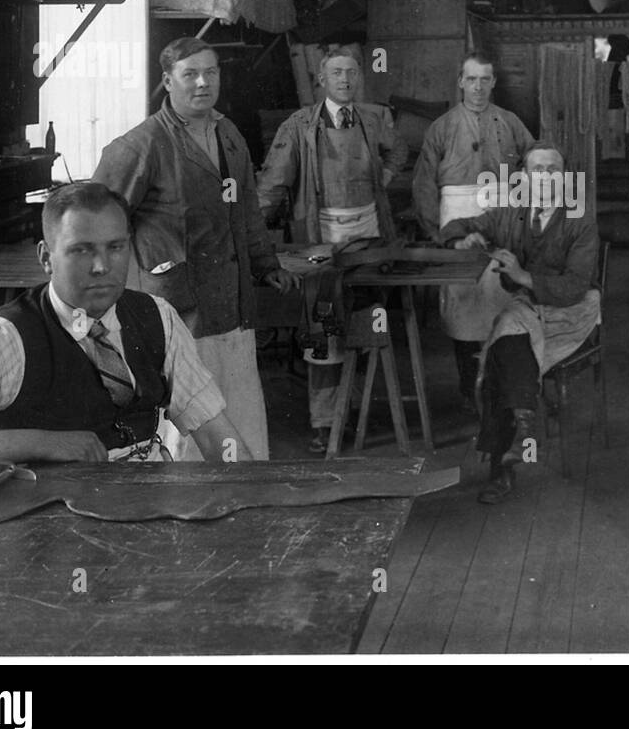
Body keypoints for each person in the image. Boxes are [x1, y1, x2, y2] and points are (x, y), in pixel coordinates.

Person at [0, 183, 252, 463]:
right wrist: (39, 443)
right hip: (46, 527)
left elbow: (215, 435)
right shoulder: (5, 338)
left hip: (146, 506)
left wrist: (255, 500)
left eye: (115, 248)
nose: (101, 266)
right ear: (46, 258)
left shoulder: (158, 317)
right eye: (81, 250)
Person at [92, 37, 296, 462]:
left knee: (239, 412)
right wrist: (111, 298)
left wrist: (265, 264)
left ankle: (242, 498)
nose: (203, 82)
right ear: (168, 81)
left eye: (212, 72)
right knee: (184, 426)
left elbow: (246, 214)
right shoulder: (141, 145)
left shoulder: (229, 135)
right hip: (177, 311)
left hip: (232, 305)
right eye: (190, 74)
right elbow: (98, 222)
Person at [256, 47, 409, 451]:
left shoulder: (376, 118)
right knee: (324, 329)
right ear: (321, 80)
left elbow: (398, 149)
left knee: (364, 324)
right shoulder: (300, 125)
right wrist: (249, 228)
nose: (345, 79)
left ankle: (355, 412)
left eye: (352, 73)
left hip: (371, 241)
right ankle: (325, 424)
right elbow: (273, 182)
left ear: (360, 78)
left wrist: (386, 173)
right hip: (321, 245)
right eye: (337, 73)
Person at [439, 141, 600, 504]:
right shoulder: (512, 211)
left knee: (502, 344)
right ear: (523, 177)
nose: (543, 176)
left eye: (552, 170)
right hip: (529, 311)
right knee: (507, 341)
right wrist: (465, 237)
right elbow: (456, 224)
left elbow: (575, 287)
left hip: (570, 313)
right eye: (536, 169)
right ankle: (523, 428)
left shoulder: (579, 216)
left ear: (564, 177)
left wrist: (522, 275)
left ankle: (503, 466)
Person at [413, 53, 535, 415]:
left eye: (485, 79)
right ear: (460, 82)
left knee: (504, 302)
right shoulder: (442, 127)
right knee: (462, 308)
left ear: (494, 82)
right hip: (457, 219)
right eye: (472, 80)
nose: (478, 87)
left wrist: (524, 211)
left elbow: (537, 164)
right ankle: (471, 392)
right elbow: (423, 185)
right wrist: (440, 235)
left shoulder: (511, 123)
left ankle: (501, 390)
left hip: (501, 218)